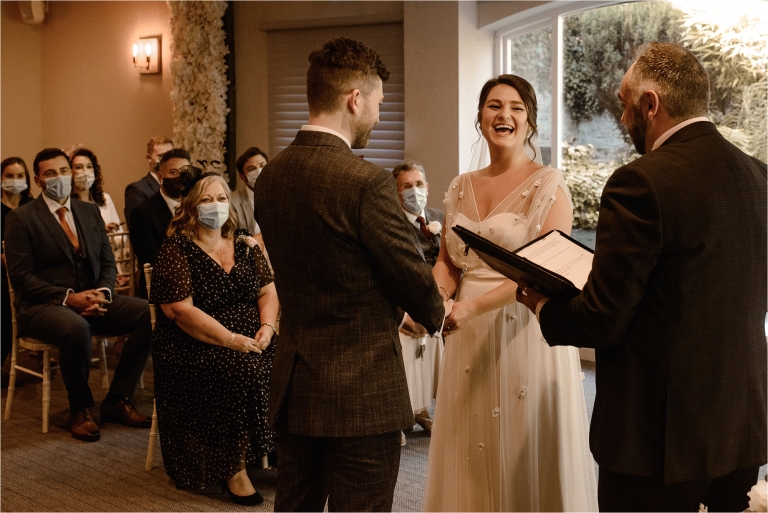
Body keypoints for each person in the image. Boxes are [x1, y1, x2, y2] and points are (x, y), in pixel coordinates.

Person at [517, 42, 767, 512]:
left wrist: (544, 305)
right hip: (740, 422)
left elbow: (602, 320)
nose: (622, 116)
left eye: (624, 103)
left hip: (659, 435)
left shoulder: (642, 181)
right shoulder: (760, 176)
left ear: (651, 104)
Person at [254, 37, 447, 511]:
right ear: (354, 99)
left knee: (294, 506)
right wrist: (437, 310)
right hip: (361, 391)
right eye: (378, 104)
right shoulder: (366, 183)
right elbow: (413, 280)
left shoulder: (271, 176)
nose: (379, 116)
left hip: (296, 382)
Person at [423, 75, 598, 511]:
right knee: (469, 445)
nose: (505, 115)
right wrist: (438, 300)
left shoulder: (549, 184)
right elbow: (447, 261)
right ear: (480, 117)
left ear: (530, 121)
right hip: (466, 329)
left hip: (526, 324)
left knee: (523, 445)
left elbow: (542, 268)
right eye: (494, 106)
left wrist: (472, 307)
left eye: (516, 108)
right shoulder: (460, 185)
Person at [4, 148, 152, 442]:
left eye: (63, 171)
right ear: (38, 180)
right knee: (76, 327)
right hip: (42, 307)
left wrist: (103, 292)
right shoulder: (22, 218)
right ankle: (80, 408)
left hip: (92, 297)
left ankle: (117, 399)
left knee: (149, 313)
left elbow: (107, 261)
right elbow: (21, 277)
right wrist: (70, 298)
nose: (59, 177)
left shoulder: (88, 211)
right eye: (50, 173)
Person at [150, 171, 278, 505]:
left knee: (290, 357)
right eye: (207, 200)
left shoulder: (243, 243)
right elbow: (179, 311)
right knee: (241, 368)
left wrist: (268, 327)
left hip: (254, 334)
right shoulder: (176, 249)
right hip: (194, 342)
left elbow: (268, 291)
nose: (216, 206)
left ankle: (280, 452)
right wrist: (231, 339)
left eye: (221, 199)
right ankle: (233, 468)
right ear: (190, 207)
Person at [393, 161, 444, 443]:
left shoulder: (440, 217)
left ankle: (422, 409)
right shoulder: (393, 223)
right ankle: (403, 414)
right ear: (397, 192)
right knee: (408, 343)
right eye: (407, 186)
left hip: (438, 299)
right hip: (406, 302)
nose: (415, 191)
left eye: (419, 184)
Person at [129, 148, 190, 299]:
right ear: (161, 177)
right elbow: (153, 259)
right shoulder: (142, 213)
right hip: (163, 288)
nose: (180, 177)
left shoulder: (196, 207)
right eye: (174, 172)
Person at [1, 157, 35, 379]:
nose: (15, 181)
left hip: (27, 272)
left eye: (20, 176)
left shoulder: (31, 208)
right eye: (9, 176)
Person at [70, 148, 121, 233]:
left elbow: (119, 233)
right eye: (79, 167)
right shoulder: (67, 203)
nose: (85, 171)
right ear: (70, 172)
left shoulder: (105, 198)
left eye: (89, 167)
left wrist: (116, 239)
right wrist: (100, 231)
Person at [124, 136, 173, 221]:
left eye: (170, 155)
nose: (167, 160)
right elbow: (137, 224)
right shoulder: (137, 189)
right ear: (149, 158)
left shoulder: (178, 186)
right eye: (162, 156)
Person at [232, 147, 267, 252]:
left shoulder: (281, 197)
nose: (259, 171)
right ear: (242, 177)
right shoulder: (231, 202)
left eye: (262, 166)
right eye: (252, 169)